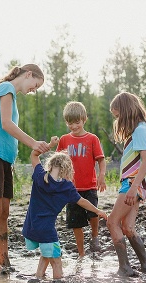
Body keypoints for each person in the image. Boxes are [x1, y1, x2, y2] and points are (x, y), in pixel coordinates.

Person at [0, 64, 51, 274]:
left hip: (3, 160)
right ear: (28, 74)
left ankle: (4, 259)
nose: (33, 91)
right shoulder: (6, 89)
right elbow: (6, 124)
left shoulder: (11, 94)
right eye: (35, 85)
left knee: (4, 212)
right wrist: (33, 143)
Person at [22, 147, 108, 279]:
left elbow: (34, 154)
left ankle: (38, 278)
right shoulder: (67, 187)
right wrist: (97, 211)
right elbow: (83, 201)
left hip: (31, 227)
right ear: (67, 169)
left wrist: (49, 144)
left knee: (46, 253)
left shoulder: (39, 175)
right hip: (47, 231)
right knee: (56, 259)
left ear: (50, 165)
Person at [107, 91, 146, 276]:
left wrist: (134, 187)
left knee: (112, 222)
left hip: (132, 183)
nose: (118, 121)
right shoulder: (138, 130)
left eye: (118, 115)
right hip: (134, 184)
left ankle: (125, 268)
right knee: (127, 227)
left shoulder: (141, 130)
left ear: (126, 111)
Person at [56, 101, 107, 257]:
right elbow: (57, 161)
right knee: (75, 222)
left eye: (77, 122)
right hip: (71, 189)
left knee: (93, 214)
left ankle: (95, 236)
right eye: (70, 123)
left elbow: (101, 159)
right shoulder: (64, 140)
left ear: (84, 119)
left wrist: (101, 176)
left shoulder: (92, 139)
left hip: (89, 186)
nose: (74, 126)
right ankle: (81, 253)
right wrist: (56, 179)